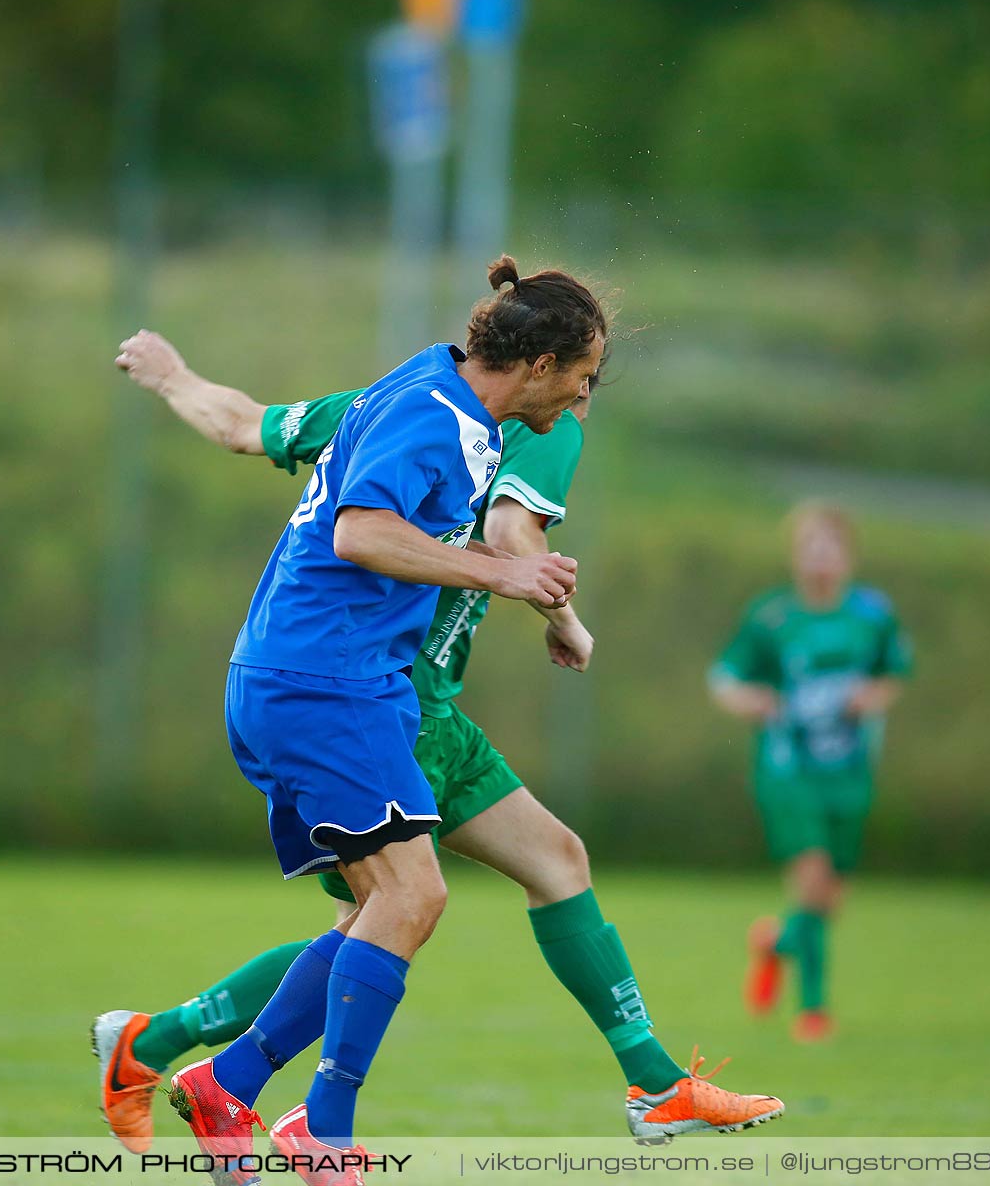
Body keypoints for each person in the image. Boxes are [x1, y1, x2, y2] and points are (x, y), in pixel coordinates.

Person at [93, 328, 783, 1156]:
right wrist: (561, 613)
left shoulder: (389, 403)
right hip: (374, 697)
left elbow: (243, 424)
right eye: (585, 375)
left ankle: (655, 1081)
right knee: (386, 914)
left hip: (421, 705)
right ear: (546, 365)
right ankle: (231, 1081)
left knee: (545, 863)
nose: (585, 395)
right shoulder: (528, 426)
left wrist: (174, 377)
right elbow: (513, 530)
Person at [709, 502, 912, 1042]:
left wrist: (871, 697)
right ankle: (814, 1011)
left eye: (831, 548)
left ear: (848, 556)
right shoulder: (772, 617)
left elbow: (894, 674)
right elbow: (724, 679)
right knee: (814, 880)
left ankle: (775, 945)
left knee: (828, 900)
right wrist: (750, 700)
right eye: (810, 548)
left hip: (848, 771)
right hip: (786, 770)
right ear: (796, 556)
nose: (821, 559)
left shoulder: (872, 615)